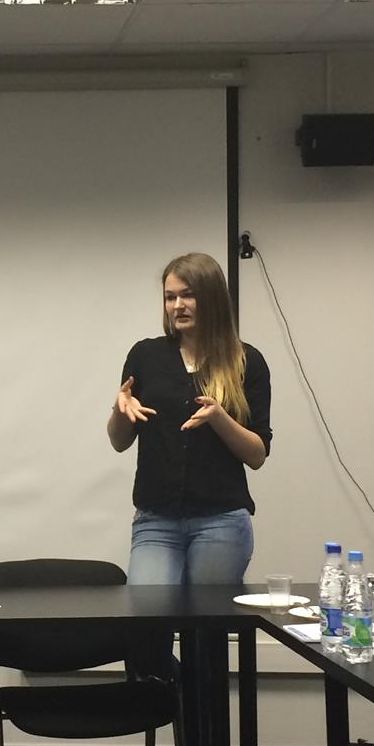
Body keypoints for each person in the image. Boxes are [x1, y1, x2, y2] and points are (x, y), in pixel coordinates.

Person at [108, 251, 273, 585]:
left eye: (188, 295)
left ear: (212, 298)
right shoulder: (145, 356)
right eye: (170, 297)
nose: (177, 306)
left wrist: (219, 418)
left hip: (221, 521)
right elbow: (118, 441)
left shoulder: (246, 361)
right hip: (156, 520)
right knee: (148, 609)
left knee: (207, 618)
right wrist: (120, 409)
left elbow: (257, 455)